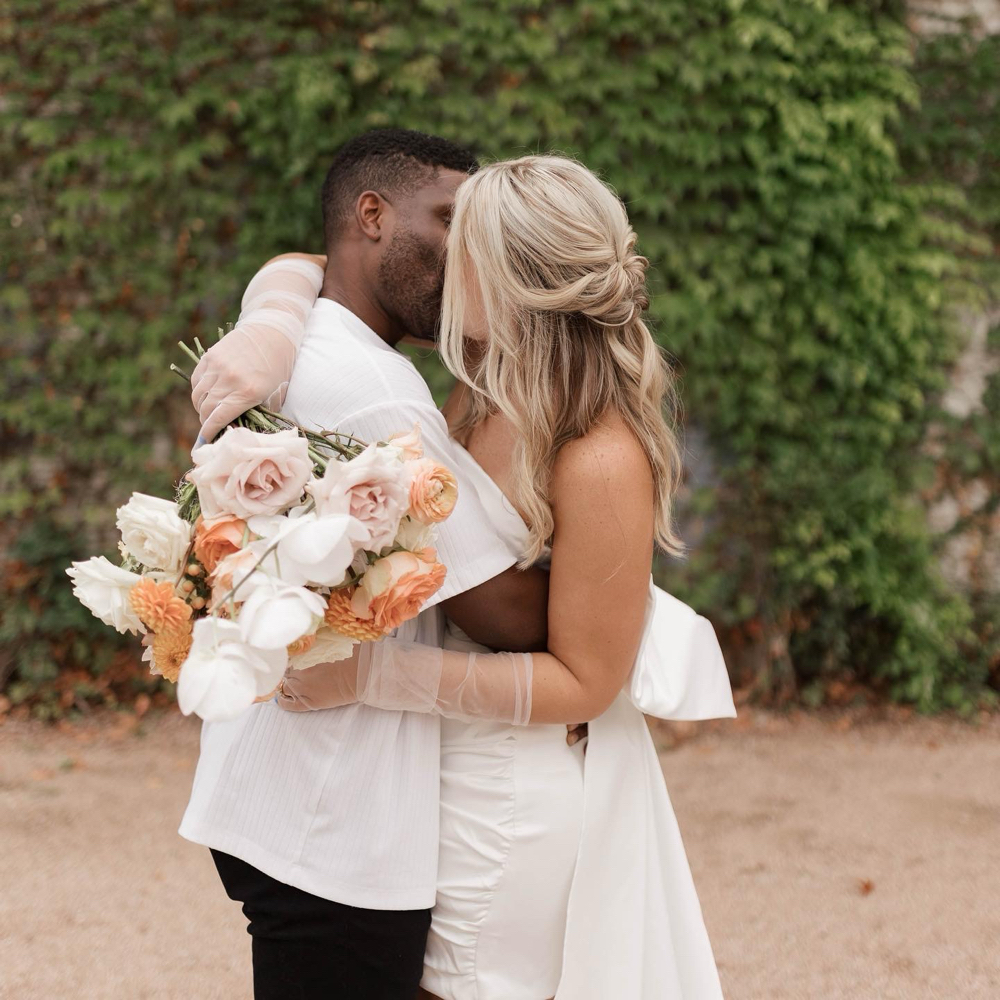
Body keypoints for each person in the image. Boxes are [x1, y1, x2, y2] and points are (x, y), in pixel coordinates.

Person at [193, 149, 736, 998]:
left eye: (462, 241)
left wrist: (372, 676)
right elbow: (310, 265)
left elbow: (588, 681)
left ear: (512, 276)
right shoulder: (478, 388)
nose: (442, 260)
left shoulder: (596, 454)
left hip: (510, 793)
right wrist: (269, 322)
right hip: (428, 777)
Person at [180, 129, 552, 1000]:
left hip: (272, 780)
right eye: (452, 223)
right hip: (335, 817)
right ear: (372, 216)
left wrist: (273, 302)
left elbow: (294, 265)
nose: (473, 255)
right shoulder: (378, 391)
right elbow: (502, 613)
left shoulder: (307, 333)